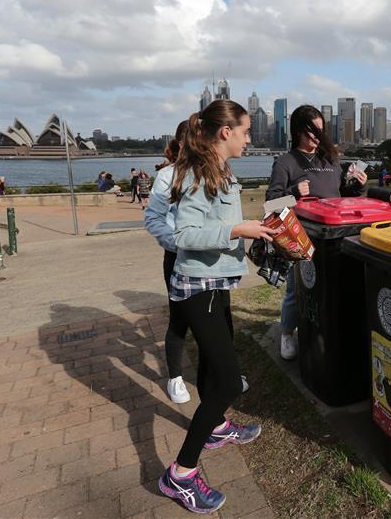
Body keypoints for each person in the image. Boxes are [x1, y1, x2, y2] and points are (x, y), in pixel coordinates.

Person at [157, 100, 277, 514]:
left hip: (215, 283)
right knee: (227, 382)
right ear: (225, 132)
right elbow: (185, 234)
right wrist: (237, 228)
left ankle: (216, 429)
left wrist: (254, 232)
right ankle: (180, 474)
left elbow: (217, 226)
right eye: (245, 132)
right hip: (197, 289)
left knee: (215, 367)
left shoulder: (219, 169)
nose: (250, 139)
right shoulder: (194, 173)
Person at [266, 105, 367, 360]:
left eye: (321, 131)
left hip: (335, 234)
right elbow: (270, 204)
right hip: (300, 235)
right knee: (296, 288)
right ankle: (287, 333)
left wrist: (356, 186)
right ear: (298, 131)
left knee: (332, 286)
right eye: (312, 131)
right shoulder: (285, 162)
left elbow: (342, 196)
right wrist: (294, 193)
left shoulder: (330, 160)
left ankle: (327, 327)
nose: (317, 137)